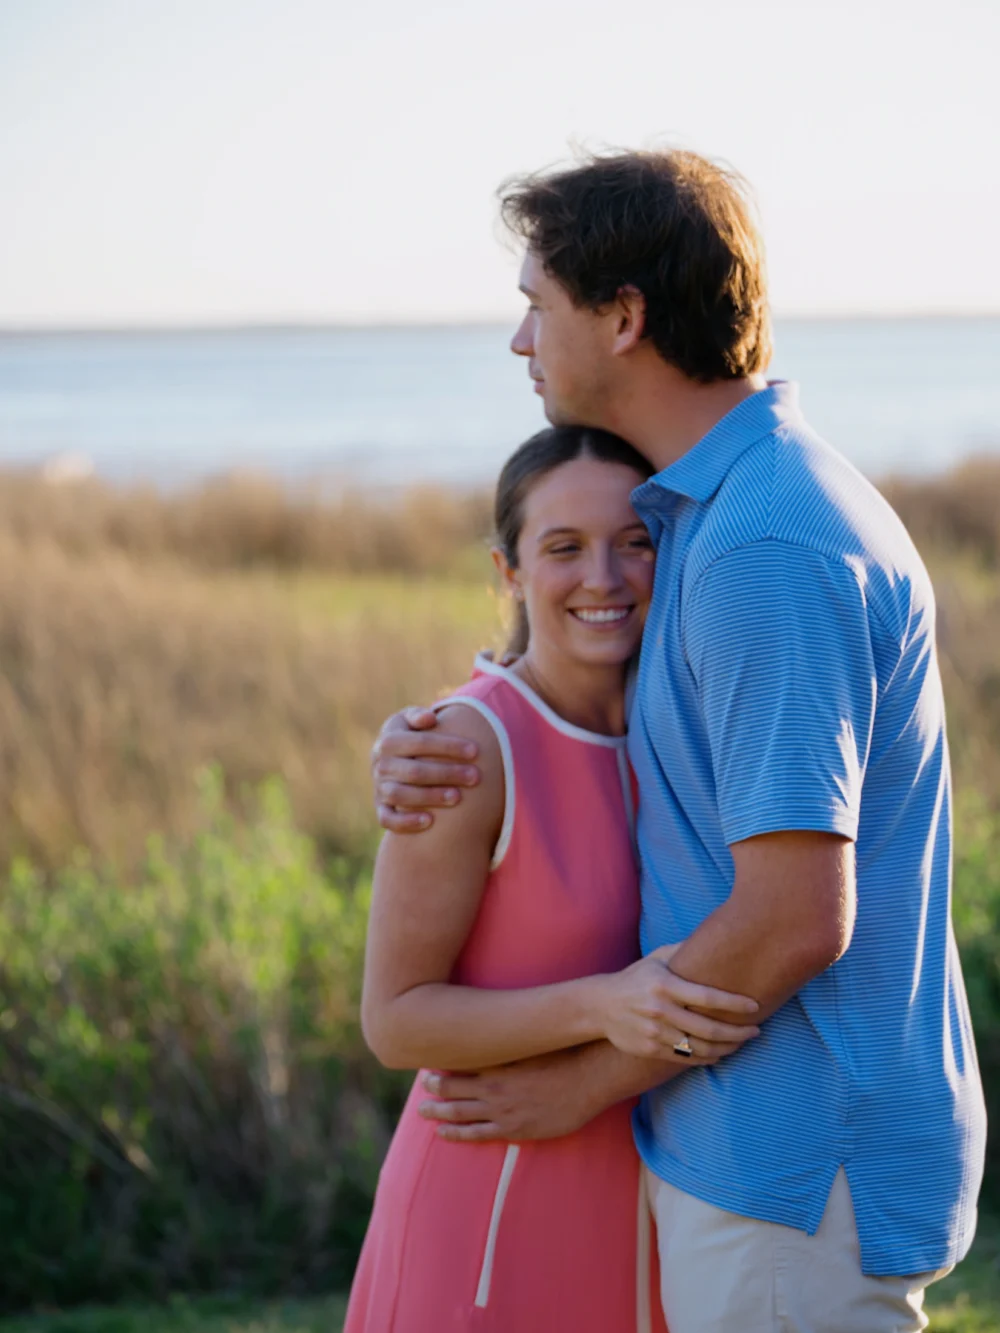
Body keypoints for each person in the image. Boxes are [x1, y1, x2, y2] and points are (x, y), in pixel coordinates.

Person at [371, 150, 987, 1333]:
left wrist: (585, 1085)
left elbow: (795, 914)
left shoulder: (762, 542)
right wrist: (439, 732)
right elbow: (622, 723)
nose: (519, 342)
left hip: (791, 1157)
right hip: (758, 1148)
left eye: (533, 305)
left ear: (622, 316)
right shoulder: (717, 510)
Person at [344, 425, 760, 1333]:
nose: (603, 578)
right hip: (488, 1203)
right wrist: (603, 1006)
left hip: (645, 1197)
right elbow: (395, 1017)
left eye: (634, 542)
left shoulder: (685, 723)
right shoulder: (463, 747)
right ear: (509, 571)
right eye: (564, 548)